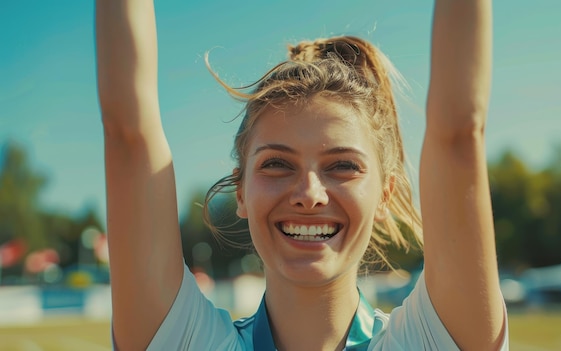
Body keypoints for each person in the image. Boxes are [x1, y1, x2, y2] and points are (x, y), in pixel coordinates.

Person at [96, 0, 509, 350]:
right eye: (277, 164)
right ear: (240, 191)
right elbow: (128, 137)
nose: (309, 193)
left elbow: (458, 135)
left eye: (343, 165)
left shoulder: (430, 341)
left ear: (385, 194)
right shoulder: (186, 341)